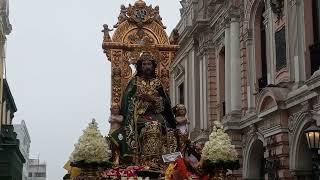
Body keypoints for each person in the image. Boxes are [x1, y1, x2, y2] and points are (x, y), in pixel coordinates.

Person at [109, 52, 176, 163]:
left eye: (149, 64)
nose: (146, 66)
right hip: (139, 115)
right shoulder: (135, 82)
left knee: (164, 127)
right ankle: (147, 160)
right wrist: (139, 100)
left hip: (156, 114)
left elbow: (165, 104)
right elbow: (127, 101)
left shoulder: (157, 83)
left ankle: (163, 160)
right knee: (151, 126)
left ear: (153, 66)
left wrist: (153, 99)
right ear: (140, 66)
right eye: (144, 64)